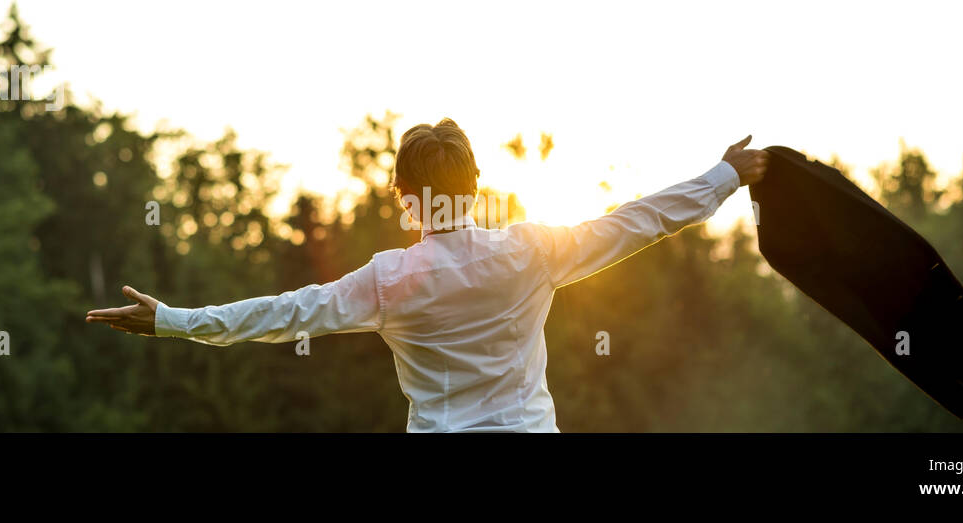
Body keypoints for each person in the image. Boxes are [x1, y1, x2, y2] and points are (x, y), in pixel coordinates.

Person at [87, 119, 769, 432]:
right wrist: (725, 175)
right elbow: (637, 220)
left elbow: (284, 313)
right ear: (473, 186)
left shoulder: (390, 279)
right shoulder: (532, 249)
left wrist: (174, 320)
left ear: (403, 195)